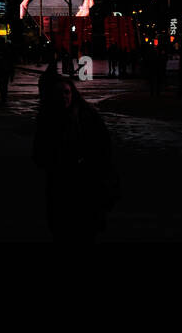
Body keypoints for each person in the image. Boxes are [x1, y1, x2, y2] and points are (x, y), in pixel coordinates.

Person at [32, 76, 119, 242]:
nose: (64, 96)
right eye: (59, 93)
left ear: (73, 93)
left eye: (66, 92)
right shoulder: (48, 120)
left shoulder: (86, 116)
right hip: (60, 184)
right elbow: (39, 154)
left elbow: (103, 148)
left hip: (85, 183)